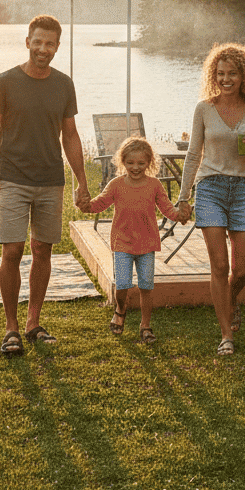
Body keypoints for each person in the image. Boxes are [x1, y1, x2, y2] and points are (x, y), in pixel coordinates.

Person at [0, 14, 91, 356]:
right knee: (12, 251)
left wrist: (81, 182)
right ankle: (11, 327)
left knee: (43, 250)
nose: (43, 49)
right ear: (28, 42)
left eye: (50, 43)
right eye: (37, 42)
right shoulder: (4, 82)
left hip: (50, 180)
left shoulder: (63, 84)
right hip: (12, 178)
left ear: (57, 46)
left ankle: (32, 322)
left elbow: (70, 135)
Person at [176, 43, 245, 356]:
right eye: (220, 73)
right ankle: (226, 334)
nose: (226, 79)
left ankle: (231, 300)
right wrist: (183, 197)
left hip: (244, 188)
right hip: (210, 188)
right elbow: (193, 154)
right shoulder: (204, 108)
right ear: (213, 75)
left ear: (244, 75)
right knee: (219, 264)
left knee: (241, 271)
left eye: (232, 73)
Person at [80, 136, 186, 344]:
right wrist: (85, 205)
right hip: (122, 243)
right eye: (130, 163)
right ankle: (120, 309)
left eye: (141, 163)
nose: (135, 167)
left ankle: (145, 326)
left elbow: (167, 209)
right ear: (122, 162)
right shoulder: (116, 184)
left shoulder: (154, 185)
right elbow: (99, 204)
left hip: (146, 243)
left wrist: (180, 215)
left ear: (149, 163)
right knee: (123, 284)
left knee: (146, 286)